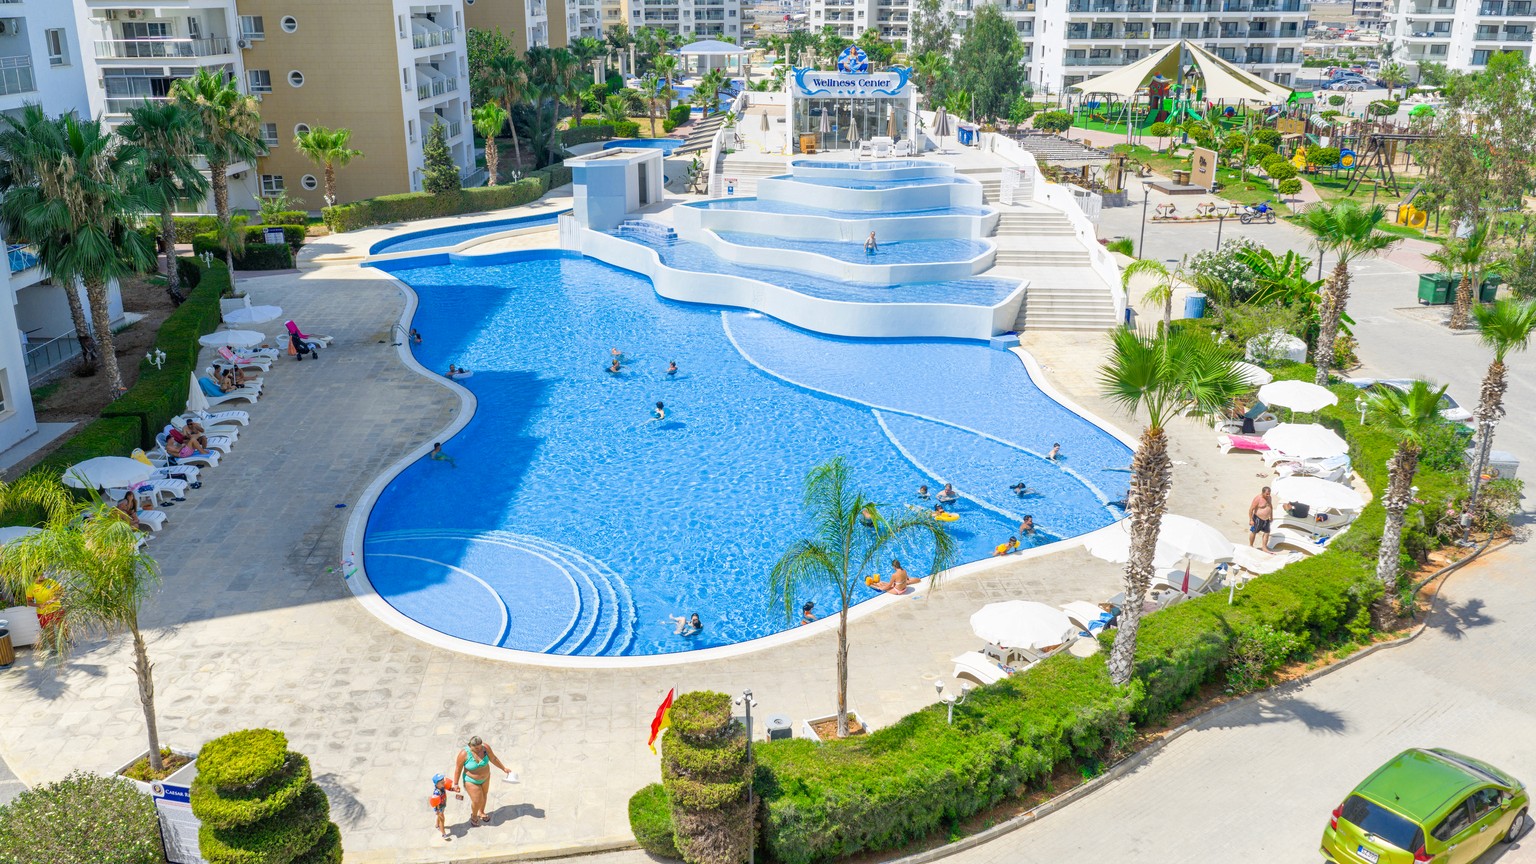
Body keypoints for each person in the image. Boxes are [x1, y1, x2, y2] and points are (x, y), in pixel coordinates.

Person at [453, 736, 512, 828]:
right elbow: (458, 769)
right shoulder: (464, 754)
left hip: (485, 777)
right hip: (471, 780)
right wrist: (456, 784)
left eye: (480, 746)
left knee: (484, 795)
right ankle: (474, 816)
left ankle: (482, 812)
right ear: (470, 746)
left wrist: (504, 768)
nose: (479, 749)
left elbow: (493, 759)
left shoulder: (485, 748)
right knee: (477, 800)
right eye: (476, 748)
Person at [429, 773, 459, 840]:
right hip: (439, 808)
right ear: (437, 784)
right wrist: (437, 811)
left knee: (440, 817)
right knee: (442, 820)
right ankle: (443, 834)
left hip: (443, 805)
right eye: (441, 781)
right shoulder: (436, 792)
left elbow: (449, 788)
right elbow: (435, 802)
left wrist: (454, 789)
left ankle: (437, 825)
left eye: (443, 780)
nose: (443, 782)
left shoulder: (442, 786)